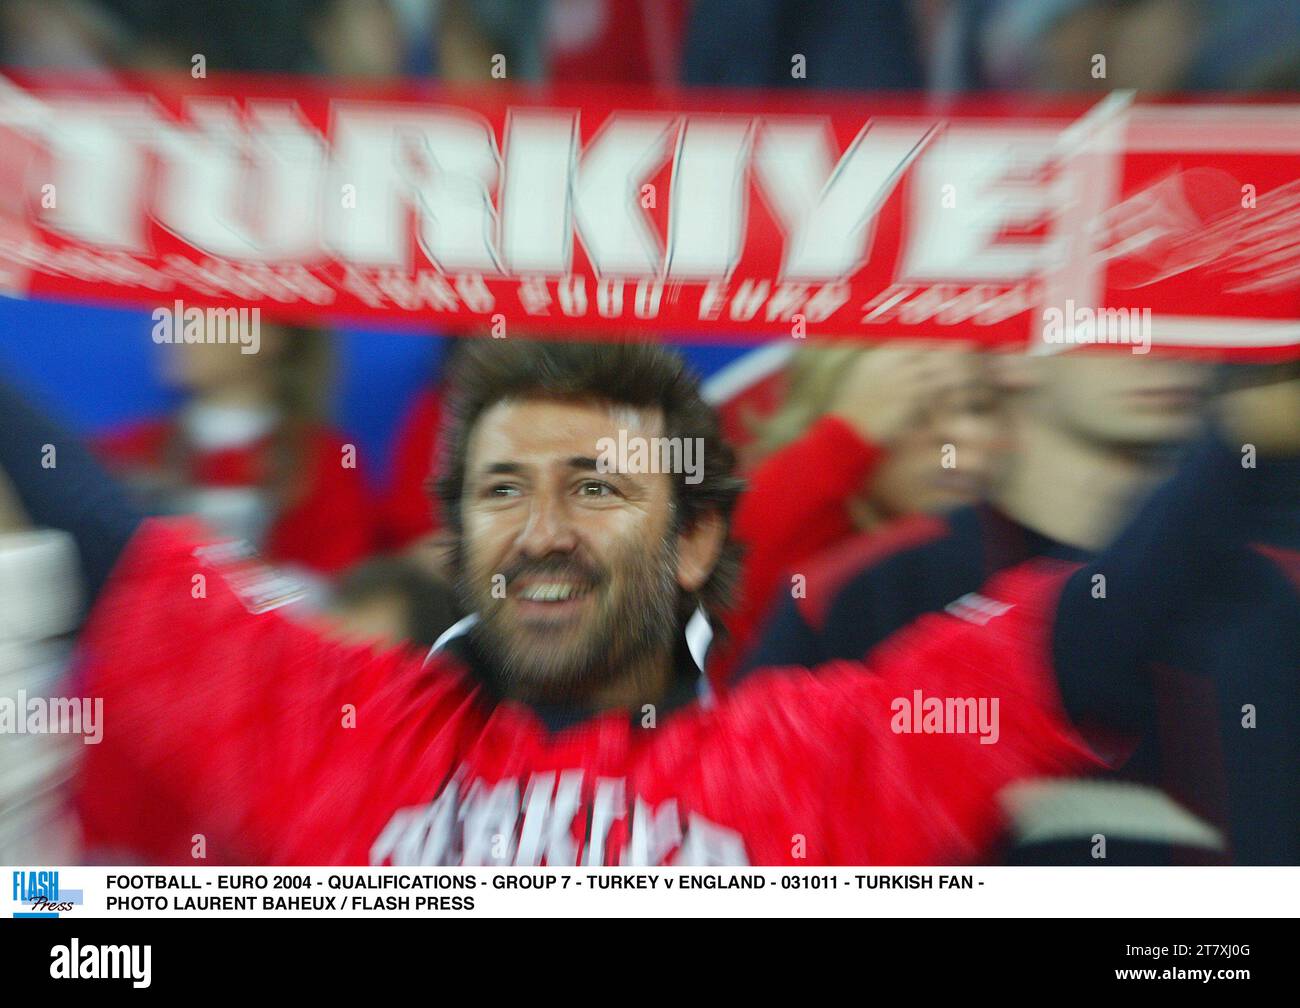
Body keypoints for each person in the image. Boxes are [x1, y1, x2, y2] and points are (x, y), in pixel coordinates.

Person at [0, 340, 1291, 866]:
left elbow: (1090, 643)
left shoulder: (819, 763)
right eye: (503, 488)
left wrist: (1248, 447)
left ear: (693, 546)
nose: (545, 528)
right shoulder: (332, 722)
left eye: (597, 489)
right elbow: (116, 547)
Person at [96, 322, 374, 578]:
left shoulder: (323, 460)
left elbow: (338, 585)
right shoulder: (131, 448)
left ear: (269, 335)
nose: (173, 329)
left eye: (201, 315)